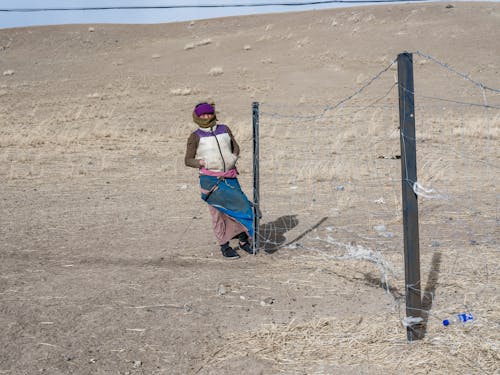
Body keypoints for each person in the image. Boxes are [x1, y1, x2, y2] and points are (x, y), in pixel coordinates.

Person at [185, 102, 255, 259]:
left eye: (209, 114)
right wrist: (203, 163)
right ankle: (224, 246)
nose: (206, 117)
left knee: (240, 207)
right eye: (202, 115)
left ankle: (244, 241)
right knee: (218, 214)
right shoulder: (195, 136)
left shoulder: (224, 129)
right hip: (210, 180)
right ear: (197, 117)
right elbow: (188, 160)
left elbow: (235, 147)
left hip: (230, 177)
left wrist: (233, 157)